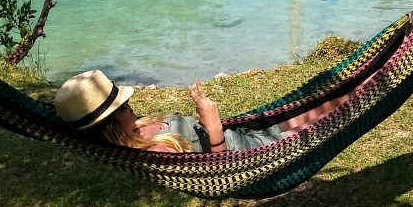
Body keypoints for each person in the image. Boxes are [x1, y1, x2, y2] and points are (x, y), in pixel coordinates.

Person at [54, 69, 353, 154]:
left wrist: (203, 113)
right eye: (123, 107)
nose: (130, 106)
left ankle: (376, 72)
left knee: (335, 98)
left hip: (251, 133)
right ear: (111, 124)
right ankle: (384, 75)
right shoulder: (152, 151)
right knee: (339, 113)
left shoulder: (139, 128)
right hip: (259, 152)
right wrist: (212, 126)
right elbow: (221, 169)